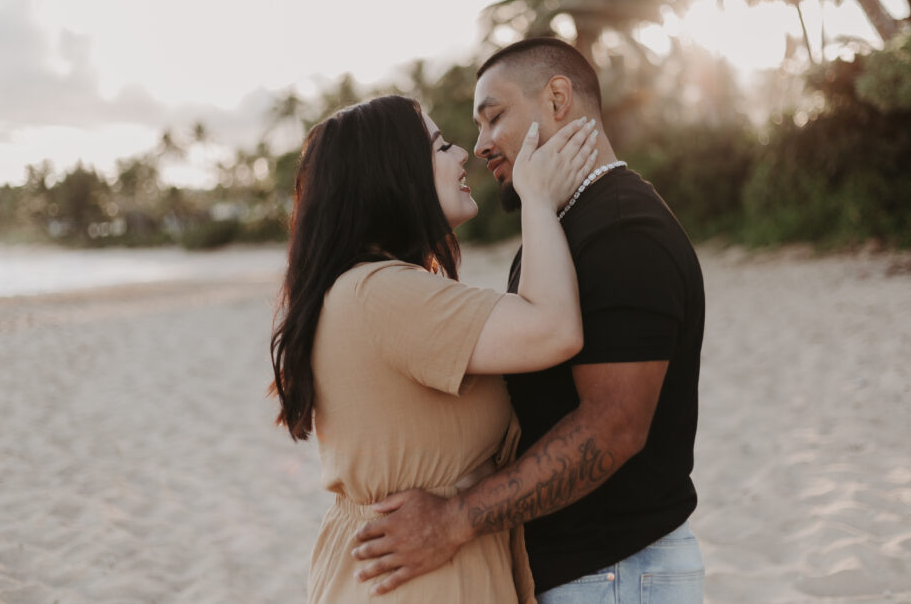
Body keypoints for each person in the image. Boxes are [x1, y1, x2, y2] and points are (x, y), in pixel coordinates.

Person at [352, 39, 706, 603]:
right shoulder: (565, 226)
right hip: (594, 574)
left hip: (617, 572)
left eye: (494, 117)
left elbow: (612, 427)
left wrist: (457, 519)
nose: (480, 144)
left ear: (558, 98)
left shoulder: (622, 232)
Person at [269, 94, 601, 603]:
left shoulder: (367, 288)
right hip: (419, 580)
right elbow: (553, 328)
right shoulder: (383, 294)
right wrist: (537, 199)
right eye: (440, 146)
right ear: (392, 173)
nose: (462, 154)